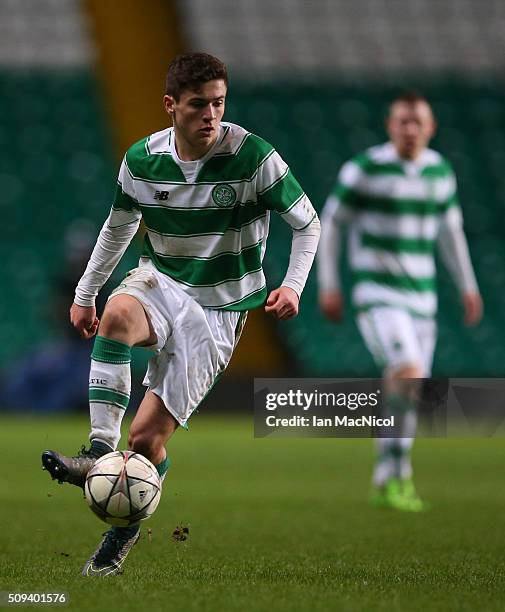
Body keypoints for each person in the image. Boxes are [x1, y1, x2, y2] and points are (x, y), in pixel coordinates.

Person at [42, 52, 320, 575]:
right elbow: (118, 228)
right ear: (171, 105)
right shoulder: (142, 161)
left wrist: (293, 285)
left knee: (146, 443)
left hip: (220, 308)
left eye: (218, 103)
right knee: (120, 312)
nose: (211, 115)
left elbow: (308, 224)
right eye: (198, 105)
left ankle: (122, 532)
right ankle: (98, 451)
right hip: (163, 282)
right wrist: (86, 294)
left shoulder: (254, 158)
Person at [317, 91, 482, 512]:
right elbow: (331, 226)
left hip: (422, 300)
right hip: (378, 294)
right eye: (402, 122)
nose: (410, 129)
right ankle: (397, 476)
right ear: (390, 126)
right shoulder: (365, 169)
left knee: (409, 388)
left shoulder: (439, 171)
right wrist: (329, 283)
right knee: (408, 374)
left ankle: (389, 477)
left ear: (430, 128)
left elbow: (451, 232)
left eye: (417, 122)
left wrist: (468, 285)